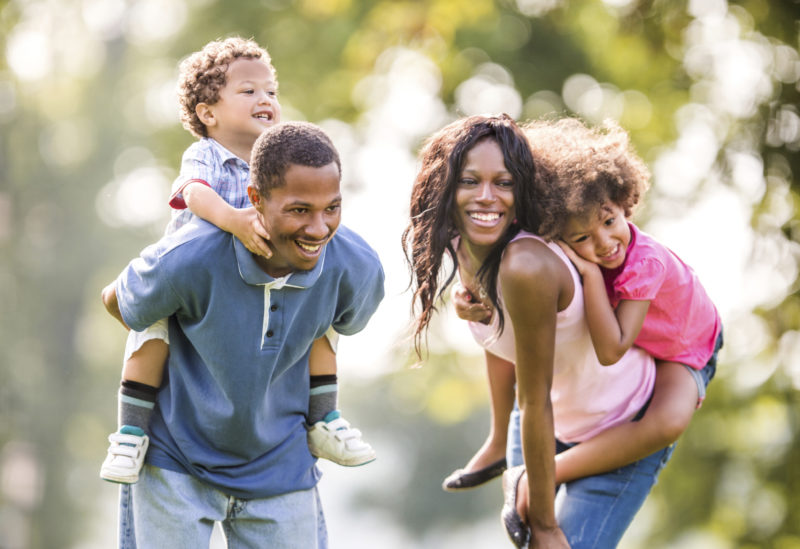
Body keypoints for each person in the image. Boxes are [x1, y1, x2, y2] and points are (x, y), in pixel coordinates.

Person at [100, 38, 375, 486]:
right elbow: (193, 193)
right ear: (208, 113)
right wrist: (234, 220)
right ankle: (131, 430)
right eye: (248, 91)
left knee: (319, 326)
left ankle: (324, 418)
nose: (265, 99)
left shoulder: (275, 163)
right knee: (151, 336)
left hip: (256, 282)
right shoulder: (206, 154)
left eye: (271, 91)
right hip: (190, 282)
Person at [101, 121, 385, 547]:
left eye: (332, 208)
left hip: (281, 466)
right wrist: (191, 330)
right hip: (176, 460)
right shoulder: (191, 257)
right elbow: (117, 301)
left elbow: (342, 325)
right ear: (256, 199)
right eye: (299, 210)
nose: (319, 228)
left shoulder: (355, 267)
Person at [404, 113, 677, 548]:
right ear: (446, 185)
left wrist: (547, 527)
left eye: (504, 183)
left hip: (620, 423)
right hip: (546, 421)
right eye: (470, 181)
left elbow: (533, 398)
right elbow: (506, 341)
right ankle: (498, 449)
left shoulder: (526, 263)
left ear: (523, 187)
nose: (487, 197)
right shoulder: (465, 239)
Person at [498, 117, 722, 543]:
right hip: (644, 341)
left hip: (686, 344)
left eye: (608, 221)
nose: (603, 243)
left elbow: (612, 347)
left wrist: (585, 273)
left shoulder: (643, 264)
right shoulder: (577, 260)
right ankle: (531, 470)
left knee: (668, 421)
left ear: (623, 202)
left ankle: (539, 474)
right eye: (581, 237)